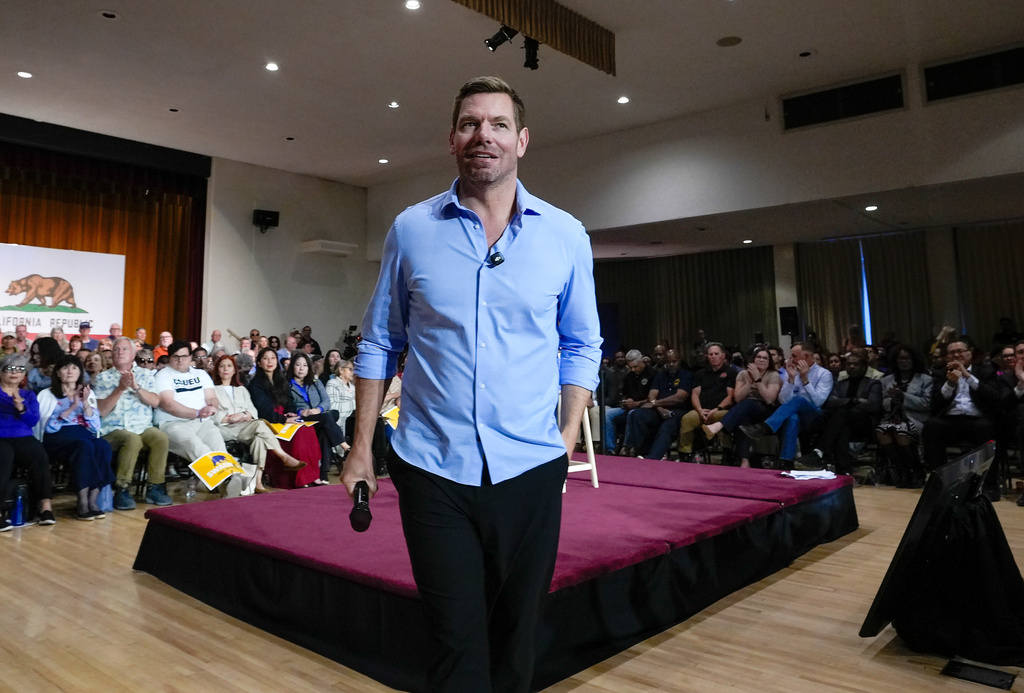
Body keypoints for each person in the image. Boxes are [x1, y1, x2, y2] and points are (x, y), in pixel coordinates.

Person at [346, 76, 601, 692]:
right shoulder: (412, 229)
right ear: (452, 139)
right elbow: (381, 340)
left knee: (517, 637)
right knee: (455, 641)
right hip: (433, 469)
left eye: (497, 124)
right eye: (469, 124)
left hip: (532, 466)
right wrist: (360, 447)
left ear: (522, 140)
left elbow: (581, 344)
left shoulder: (565, 235)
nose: (483, 136)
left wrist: (567, 435)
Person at [93, 337, 173, 510]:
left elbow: (155, 401)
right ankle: (122, 488)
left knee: (160, 438)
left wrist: (136, 387)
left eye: (124, 349)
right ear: (111, 356)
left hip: (142, 427)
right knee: (132, 439)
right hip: (113, 429)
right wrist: (120, 389)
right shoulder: (102, 378)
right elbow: (102, 411)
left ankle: (155, 487)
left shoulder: (146, 375)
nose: (119, 353)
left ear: (132, 354)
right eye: (116, 350)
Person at [35, 354, 114, 520]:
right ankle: (82, 502)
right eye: (65, 368)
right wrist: (72, 407)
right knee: (84, 445)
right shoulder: (46, 394)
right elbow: (46, 428)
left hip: (83, 435)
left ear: (80, 372)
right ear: (57, 373)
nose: (69, 371)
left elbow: (95, 426)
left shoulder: (87, 392)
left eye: (74, 367)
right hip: (57, 437)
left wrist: (85, 403)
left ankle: (93, 501)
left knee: (102, 445)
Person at [922, 336, 1002, 501]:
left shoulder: (985, 371)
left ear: (970, 353)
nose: (956, 355)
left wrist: (967, 376)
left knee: (987, 428)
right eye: (952, 353)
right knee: (931, 425)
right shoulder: (939, 374)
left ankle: (990, 485)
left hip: (977, 420)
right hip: (951, 421)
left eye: (960, 351)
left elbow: (993, 397)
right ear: (947, 357)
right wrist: (949, 384)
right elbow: (934, 405)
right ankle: (940, 483)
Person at [211, 355, 305, 493]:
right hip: (224, 428)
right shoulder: (212, 390)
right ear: (217, 370)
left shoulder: (241, 389)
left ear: (234, 370)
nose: (226, 369)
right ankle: (284, 456)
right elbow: (211, 414)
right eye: (222, 366)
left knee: (259, 438)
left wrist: (243, 415)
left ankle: (258, 481)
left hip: (244, 426)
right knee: (261, 424)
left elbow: (252, 410)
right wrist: (229, 418)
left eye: (229, 366)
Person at [739, 342, 834, 466]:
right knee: (792, 418)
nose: (790, 359)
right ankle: (786, 461)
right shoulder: (792, 371)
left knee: (799, 400)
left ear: (805, 357)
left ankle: (765, 427)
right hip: (796, 415)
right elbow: (783, 401)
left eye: (794, 356)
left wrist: (805, 380)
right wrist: (790, 379)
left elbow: (818, 401)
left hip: (815, 416)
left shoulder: (824, 374)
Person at [246, 347, 322, 484]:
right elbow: (263, 410)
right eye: (265, 358)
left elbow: (290, 401)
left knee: (307, 429)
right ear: (259, 363)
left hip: (285, 417)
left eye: (273, 358)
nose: (270, 361)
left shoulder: (281, 380)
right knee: (299, 434)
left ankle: (311, 475)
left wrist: (291, 412)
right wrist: (284, 419)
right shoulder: (255, 384)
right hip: (270, 421)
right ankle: (298, 479)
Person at [0, 353, 56, 529]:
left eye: (19, 369)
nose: (14, 372)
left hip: (23, 436)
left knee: (38, 454)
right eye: (9, 368)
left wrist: (21, 408)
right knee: (4, 457)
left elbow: (33, 421)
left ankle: (45, 506)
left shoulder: (28, 395)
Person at [703, 347, 782, 468]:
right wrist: (750, 382)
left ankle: (720, 425)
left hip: (766, 411)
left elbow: (769, 399)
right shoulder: (743, 374)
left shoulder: (774, 375)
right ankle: (745, 461)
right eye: (758, 357)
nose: (761, 360)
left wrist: (758, 379)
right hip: (745, 410)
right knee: (743, 419)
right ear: (753, 360)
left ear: (769, 361)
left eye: (765, 358)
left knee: (748, 403)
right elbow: (738, 398)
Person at [152, 340, 226, 464]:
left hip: (202, 423)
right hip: (173, 424)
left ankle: (226, 479)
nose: (180, 360)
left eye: (184, 356)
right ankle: (224, 479)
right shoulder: (163, 375)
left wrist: (211, 407)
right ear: (169, 357)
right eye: (176, 356)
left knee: (220, 450)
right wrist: (197, 413)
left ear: (191, 357)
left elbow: (212, 398)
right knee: (198, 449)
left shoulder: (201, 374)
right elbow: (167, 403)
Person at [875, 345, 932, 488]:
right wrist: (891, 398)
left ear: (914, 360)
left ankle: (916, 470)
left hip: (915, 418)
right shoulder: (886, 380)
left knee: (901, 432)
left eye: (907, 358)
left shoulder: (925, 379)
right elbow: (883, 404)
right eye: (900, 358)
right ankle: (903, 469)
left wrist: (903, 396)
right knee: (881, 431)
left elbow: (926, 404)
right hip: (892, 417)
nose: (904, 361)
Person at [624, 349, 692, 460]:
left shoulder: (686, 375)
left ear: (679, 361)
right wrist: (659, 408)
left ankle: (653, 457)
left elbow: (679, 398)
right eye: (668, 362)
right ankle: (641, 453)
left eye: (674, 361)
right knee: (638, 414)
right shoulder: (661, 375)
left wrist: (656, 403)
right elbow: (651, 395)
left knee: (667, 425)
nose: (671, 364)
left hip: (678, 410)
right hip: (658, 410)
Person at [287, 351, 344, 485]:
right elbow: (288, 405)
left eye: (305, 365)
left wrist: (317, 410)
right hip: (303, 419)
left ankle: (322, 474)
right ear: (292, 367)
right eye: (298, 365)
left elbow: (326, 400)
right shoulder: (287, 385)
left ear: (309, 367)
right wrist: (302, 412)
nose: (301, 368)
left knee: (325, 427)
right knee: (326, 419)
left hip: (319, 416)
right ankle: (343, 444)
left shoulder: (315, 381)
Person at [677, 343, 736, 461]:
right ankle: (685, 453)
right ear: (707, 357)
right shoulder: (700, 374)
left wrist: (717, 409)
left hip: (720, 410)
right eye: (710, 354)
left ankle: (726, 453)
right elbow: (695, 394)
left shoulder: (732, 372)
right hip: (702, 410)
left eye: (716, 354)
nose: (713, 356)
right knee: (687, 418)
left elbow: (730, 396)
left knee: (725, 417)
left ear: (723, 356)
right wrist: (699, 410)